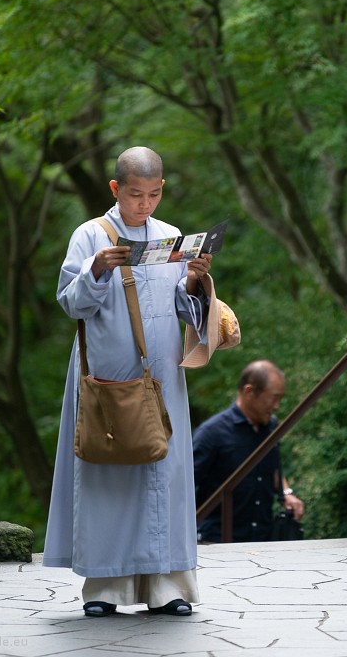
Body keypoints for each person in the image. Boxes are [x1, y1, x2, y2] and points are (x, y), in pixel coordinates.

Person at [43, 146, 213, 618]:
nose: (145, 204)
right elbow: (72, 305)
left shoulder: (172, 237)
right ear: (116, 189)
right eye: (136, 194)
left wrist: (197, 280)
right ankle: (105, 587)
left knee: (165, 470)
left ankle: (168, 586)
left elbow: (185, 307)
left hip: (162, 378)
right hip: (109, 376)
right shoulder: (89, 235)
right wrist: (98, 268)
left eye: (154, 194)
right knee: (109, 473)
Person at [193, 360, 304, 543]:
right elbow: (185, 484)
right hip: (217, 543)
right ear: (249, 392)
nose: (277, 406)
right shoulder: (211, 433)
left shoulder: (271, 428)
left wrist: (286, 492)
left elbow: (274, 467)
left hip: (264, 541)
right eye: (273, 398)